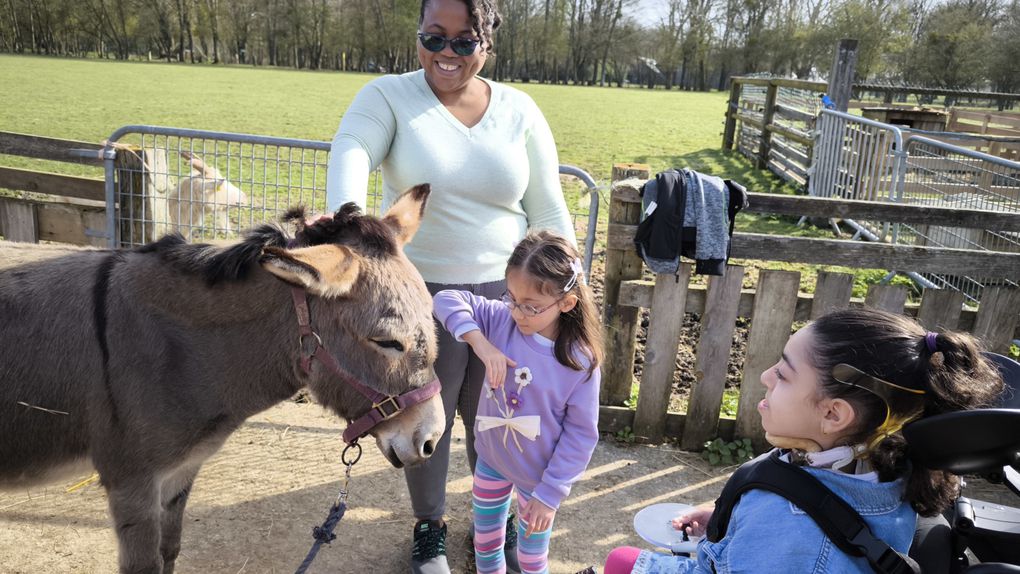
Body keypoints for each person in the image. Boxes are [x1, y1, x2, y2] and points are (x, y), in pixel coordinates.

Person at [324, 0, 575, 570]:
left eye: (465, 42)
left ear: (487, 43)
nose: (447, 53)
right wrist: (348, 223)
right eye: (434, 37)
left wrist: (565, 288)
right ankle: (429, 527)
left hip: (510, 302)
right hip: (420, 299)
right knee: (421, 411)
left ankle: (496, 520)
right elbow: (353, 148)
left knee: (504, 416)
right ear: (418, 35)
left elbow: (547, 206)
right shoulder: (388, 97)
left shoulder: (519, 109)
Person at [604, 307, 1005, 574]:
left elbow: (793, 533)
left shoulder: (790, 531)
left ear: (833, 414)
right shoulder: (878, 457)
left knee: (617, 561)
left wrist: (761, 527)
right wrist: (729, 514)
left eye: (783, 373)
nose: (765, 376)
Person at [432, 230, 603, 574]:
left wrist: (549, 495)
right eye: (511, 298)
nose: (519, 313)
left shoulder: (578, 362)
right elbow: (444, 299)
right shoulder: (501, 320)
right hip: (491, 459)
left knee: (530, 558)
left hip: (537, 480)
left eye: (532, 306)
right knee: (486, 543)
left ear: (566, 303)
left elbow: (581, 435)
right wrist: (480, 343)